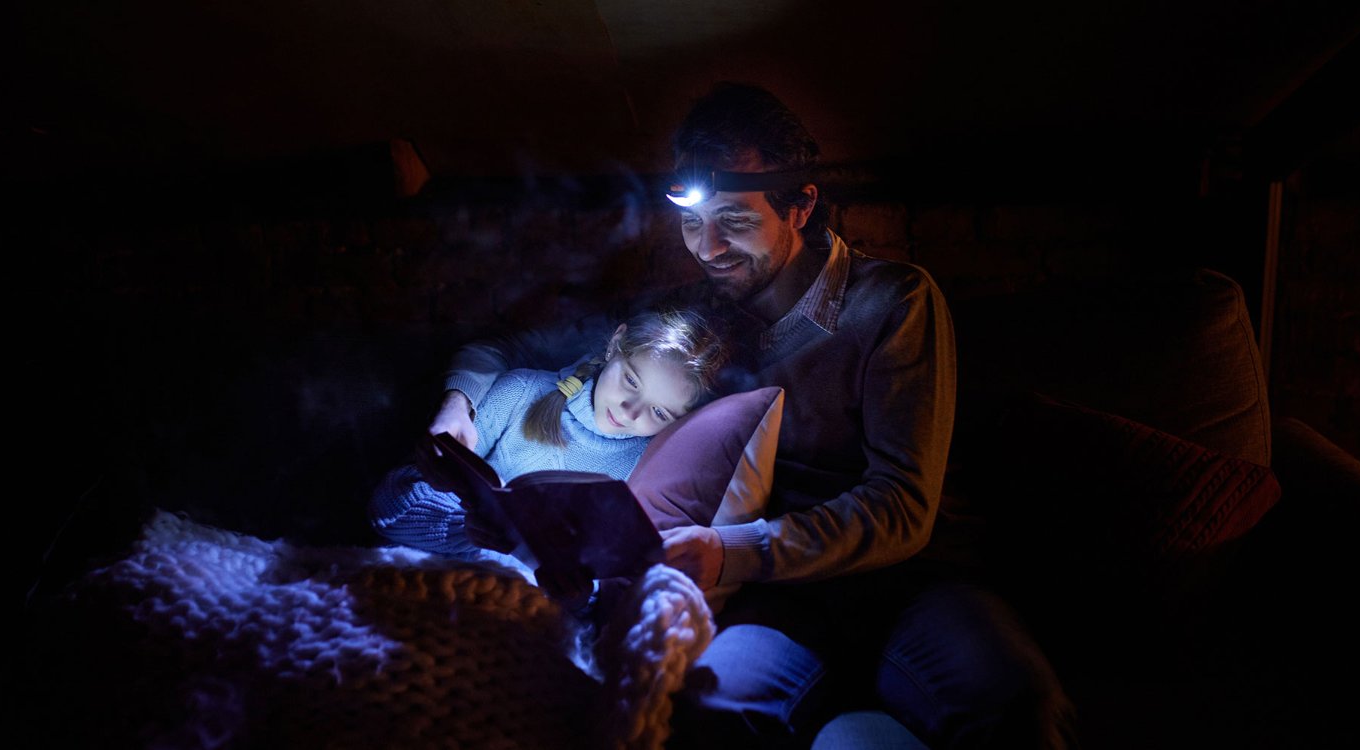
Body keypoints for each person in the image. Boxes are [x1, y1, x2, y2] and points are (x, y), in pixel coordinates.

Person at [425, 82, 1074, 749]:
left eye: (733, 220)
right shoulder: (691, 316)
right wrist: (461, 402)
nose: (707, 247)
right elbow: (509, 349)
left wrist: (730, 550)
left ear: (801, 206)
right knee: (711, 712)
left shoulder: (893, 302)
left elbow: (902, 504)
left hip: (907, 583)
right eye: (691, 221)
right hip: (769, 600)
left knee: (1017, 706)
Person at [367, 307, 726, 599]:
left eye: (659, 412)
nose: (630, 412)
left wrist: (580, 594)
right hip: (429, 587)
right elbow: (388, 504)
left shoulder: (647, 466)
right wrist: (466, 529)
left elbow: (615, 584)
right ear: (614, 344)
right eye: (631, 380)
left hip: (522, 622)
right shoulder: (520, 394)